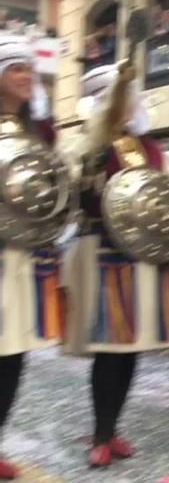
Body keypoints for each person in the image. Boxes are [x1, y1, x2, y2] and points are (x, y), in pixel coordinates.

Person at [64, 62, 169, 467]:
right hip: (103, 253)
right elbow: (74, 197)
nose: (131, 106)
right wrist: (89, 176)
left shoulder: (150, 148)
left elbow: (163, 199)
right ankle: (100, 433)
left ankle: (114, 429)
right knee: (107, 350)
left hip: (143, 256)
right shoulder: (87, 144)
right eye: (123, 99)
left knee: (130, 350)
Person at [0, 35, 65, 481]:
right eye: (16, 68)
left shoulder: (40, 132)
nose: (27, 77)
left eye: (29, 68)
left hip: (24, 258)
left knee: (12, 359)